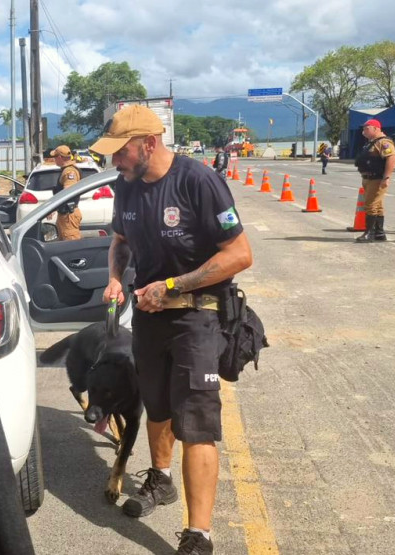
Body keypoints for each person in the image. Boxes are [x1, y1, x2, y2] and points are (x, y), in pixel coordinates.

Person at [91, 105, 253, 555]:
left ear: (149, 143)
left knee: (196, 423)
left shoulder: (197, 181)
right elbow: (121, 243)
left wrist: (171, 286)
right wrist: (113, 278)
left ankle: (199, 534)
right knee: (158, 408)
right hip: (149, 317)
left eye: (119, 153)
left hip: (196, 317)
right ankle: (160, 480)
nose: (114, 162)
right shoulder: (125, 188)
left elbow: (239, 254)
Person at [353, 119, 395, 243]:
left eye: (366, 128)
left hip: (377, 178)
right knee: (377, 206)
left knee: (370, 205)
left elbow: (391, 159)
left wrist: (386, 177)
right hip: (368, 178)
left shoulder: (384, 142)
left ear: (376, 128)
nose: (364, 131)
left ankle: (369, 233)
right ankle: (379, 233)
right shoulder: (370, 143)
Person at [50, 144, 82, 241]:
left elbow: (67, 194)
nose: (54, 159)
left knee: (71, 247)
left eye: (55, 157)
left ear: (60, 157)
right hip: (64, 214)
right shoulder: (66, 170)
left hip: (69, 215)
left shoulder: (69, 172)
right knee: (63, 246)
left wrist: (52, 208)